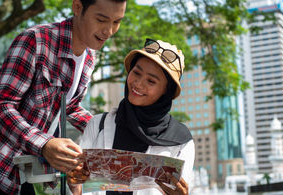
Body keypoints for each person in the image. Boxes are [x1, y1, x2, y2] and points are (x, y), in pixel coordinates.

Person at [0, 0, 129, 195]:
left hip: (22, 170)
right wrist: (45, 144)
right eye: (101, 19)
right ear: (77, 7)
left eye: (117, 22)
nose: (109, 31)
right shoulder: (35, 40)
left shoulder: (89, 57)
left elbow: (68, 107)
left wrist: (104, 129)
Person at [68, 39, 195, 195]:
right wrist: (74, 182)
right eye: (136, 72)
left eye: (151, 81)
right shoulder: (97, 124)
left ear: (166, 91)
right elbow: (79, 188)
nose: (138, 84)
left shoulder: (181, 141)